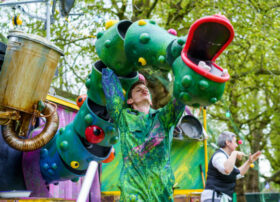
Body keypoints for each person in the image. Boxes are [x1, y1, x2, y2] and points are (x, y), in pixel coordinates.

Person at [102, 68, 185, 202]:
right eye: (138, 90)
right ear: (130, 101)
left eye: (145, 89)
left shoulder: (163, 118)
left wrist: (190, 72)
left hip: (161, 194)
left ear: (151, 101)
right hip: (133, 193)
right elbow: (113, 95)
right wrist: (110, 65)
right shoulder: (123, 118)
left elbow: (180, 99)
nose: (143, 90)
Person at [201, 131, 262, 202]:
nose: (236, 145)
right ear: (227, 142)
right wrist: (235, 153)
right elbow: (227, 170)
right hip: (213, 198)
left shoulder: (227, 159)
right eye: (235, 142)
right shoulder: (219, 156)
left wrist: (249, 162)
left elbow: (238, 173)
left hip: (222, 198)